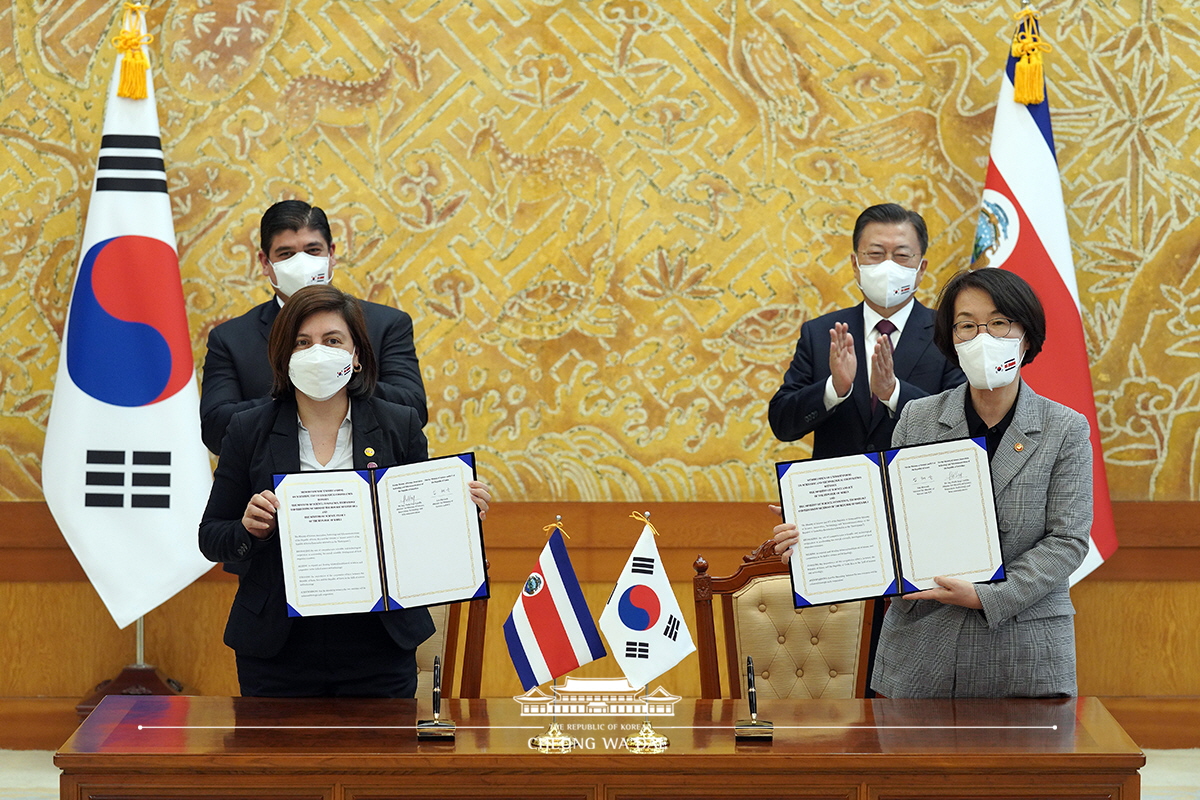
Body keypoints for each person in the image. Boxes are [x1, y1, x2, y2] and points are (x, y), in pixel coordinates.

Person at [773, 268, 1092, 698]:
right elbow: (889, 521)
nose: (982, 337)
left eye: (999, 323)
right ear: (952, 339)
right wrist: (816, 531)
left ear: (1027, 336)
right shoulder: (918, 417)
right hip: (921, 650)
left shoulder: (1065, 428)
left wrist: (987, 596)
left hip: (1022, 650)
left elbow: (1067, 541)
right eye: (966, 325)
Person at [198, 285, 491, 698]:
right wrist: (249, 530)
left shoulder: (399, 424)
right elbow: (211, 536)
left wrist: (457, 516)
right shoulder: (248, 429)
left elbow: (416, 532)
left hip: (378, 645)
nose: (317, 352)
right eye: (302, 342)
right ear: (283, 356)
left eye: (333, 340)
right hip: (276, 647)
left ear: (356, 356)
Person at [200, 200, 427, 455]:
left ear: (331, 254)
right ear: (265, 262)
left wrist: (339, 379)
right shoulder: (231, 338)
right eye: (286, 254)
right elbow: (216, 430)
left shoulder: (386, 323)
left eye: (312, 250)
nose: (302, 263)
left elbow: (415, 409)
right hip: (273, 474)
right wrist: (299, 390)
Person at [768, 203, 965, 458]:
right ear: (855, 264)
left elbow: (960, 424)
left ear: (921, 269)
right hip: (842, 482)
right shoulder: (820, 334)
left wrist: (894, 392)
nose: (888, 265)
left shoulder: (950, 332)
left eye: (902, 255)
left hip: (917, 479)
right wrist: (833, 389)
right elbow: (782, 424)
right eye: (875, 253)